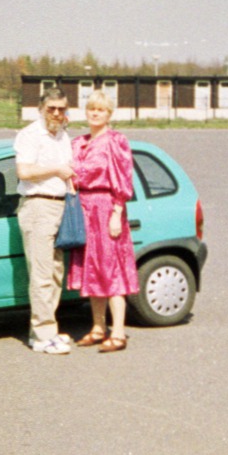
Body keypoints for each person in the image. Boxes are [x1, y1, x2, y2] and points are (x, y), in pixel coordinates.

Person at [67, 91, 139, 352]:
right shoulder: (78, 143)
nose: (95, 113)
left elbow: (123, 179)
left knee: (112, 269)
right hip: (83, 209)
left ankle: (118, 332)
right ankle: (98, 327)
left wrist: (117, 213)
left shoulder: (115, 141)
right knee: (92, 269)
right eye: (91, 109)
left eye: (101, 110)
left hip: (107, 208)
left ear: (109, 114)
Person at [14, 91, 75, 354]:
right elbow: (24, 171)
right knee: (40, 274)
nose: (57, 114)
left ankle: (41, 331)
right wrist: (55, 171)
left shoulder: (63, 136)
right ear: (40, 109)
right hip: (38, 205)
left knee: (55, 272)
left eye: (61, 109)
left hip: (60, 205)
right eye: (51, 109)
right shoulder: (29, 135)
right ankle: (44, 334)